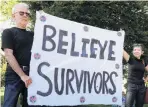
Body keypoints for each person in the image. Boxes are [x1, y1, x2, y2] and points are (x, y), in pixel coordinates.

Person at [1, 3, 34, 107]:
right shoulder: (8, 32)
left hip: (31, 75)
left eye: (27, 14)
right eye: (21, 13)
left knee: (31, 104)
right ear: (13, 15)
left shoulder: (33, 35)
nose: (25, 15)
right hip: (13, 75)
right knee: (9, 104)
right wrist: (22, 75)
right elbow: (8, 55)